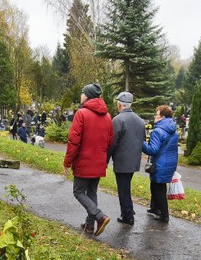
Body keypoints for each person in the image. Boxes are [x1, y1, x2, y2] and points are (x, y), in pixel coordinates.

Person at [63, 83, 114, 236]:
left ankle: (99, 216)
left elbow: (74, 141)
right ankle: (90, 226)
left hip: (84, 161)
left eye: (82, 93)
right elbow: (110, 140)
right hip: (99, 161)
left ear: (87, 96)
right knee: (91, 192)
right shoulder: (107, 116)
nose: (81, 95)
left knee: (78, 191)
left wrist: (67, 161)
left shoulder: (82, 113)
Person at [109, 91, 145, 225]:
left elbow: (112, 142)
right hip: (134, 160)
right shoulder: (139, 120)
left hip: (122, 161)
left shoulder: (118, 120)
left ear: (119, 104)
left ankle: (128, 216)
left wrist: (106, 159)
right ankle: (129, 209)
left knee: (123, 189)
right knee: (126, 186)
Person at [143, 105, 179, 224]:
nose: (155, 117)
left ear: (162, 117)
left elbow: (153, 150)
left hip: (160, 163)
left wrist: (141, 143)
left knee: (159, 189)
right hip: (170, 162)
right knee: (155, 185)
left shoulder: (158, 131)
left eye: (156, 115)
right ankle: (155, 208)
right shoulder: (173, 130)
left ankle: (164, 215)